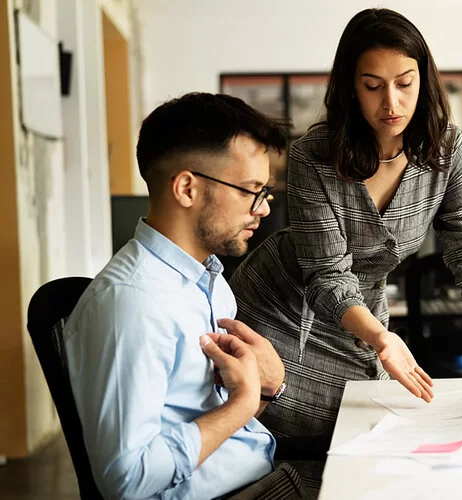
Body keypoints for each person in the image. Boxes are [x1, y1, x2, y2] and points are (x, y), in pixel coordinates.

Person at [230, 8, 462, 489]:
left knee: (364, 435)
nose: (391, 102)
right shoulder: (313, 156)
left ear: (425, 80)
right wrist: (381, 339)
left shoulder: (445, 150)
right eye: (373, 85)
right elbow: (328, 275)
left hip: (364, 312)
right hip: (283, 302)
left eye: (405, 83)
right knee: (306, 430)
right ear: (350, 88)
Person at [64, 93, 303, 499]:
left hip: (259, 477)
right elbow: (127, 480)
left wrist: (265, 389)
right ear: (187, 188)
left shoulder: (209, 283)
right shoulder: (133, 303)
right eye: (251, 190)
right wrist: (242, 404)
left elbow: (217, 423)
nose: (263, 209)